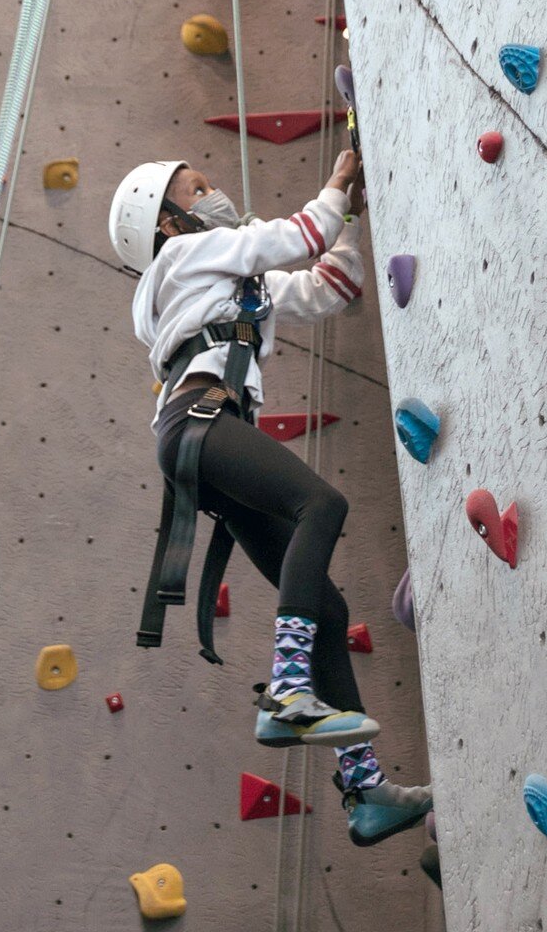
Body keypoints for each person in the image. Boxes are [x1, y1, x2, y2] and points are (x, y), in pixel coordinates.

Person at [109, 151, 433, 847]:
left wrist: (351, 220)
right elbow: (302, 234)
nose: (216, 189)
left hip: (198, 441)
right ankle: (289, 689)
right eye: (199, 186)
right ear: (170, 221)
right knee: (323, 506)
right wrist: (342, 182)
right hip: (203, 422)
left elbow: (327, 285)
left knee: (327, 606)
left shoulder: (229, 286)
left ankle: (366, 791)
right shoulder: (190, 254)